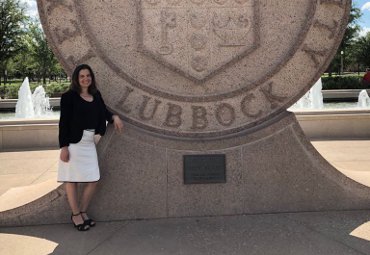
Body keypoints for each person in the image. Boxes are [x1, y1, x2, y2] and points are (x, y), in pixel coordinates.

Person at [58, 64, 123, 231]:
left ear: (91, 78)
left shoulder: (96, 95)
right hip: (73, 144)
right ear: (76, 79)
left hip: (89, 143)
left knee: (93, 179)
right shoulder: (69, 97)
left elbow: (104, 112)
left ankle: (83, 210)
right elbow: (63, 123)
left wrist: (114, 116)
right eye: (82, 76)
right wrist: (64, 147)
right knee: (71, 180)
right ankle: (75, 214)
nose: (85, 78)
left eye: (88, 76)